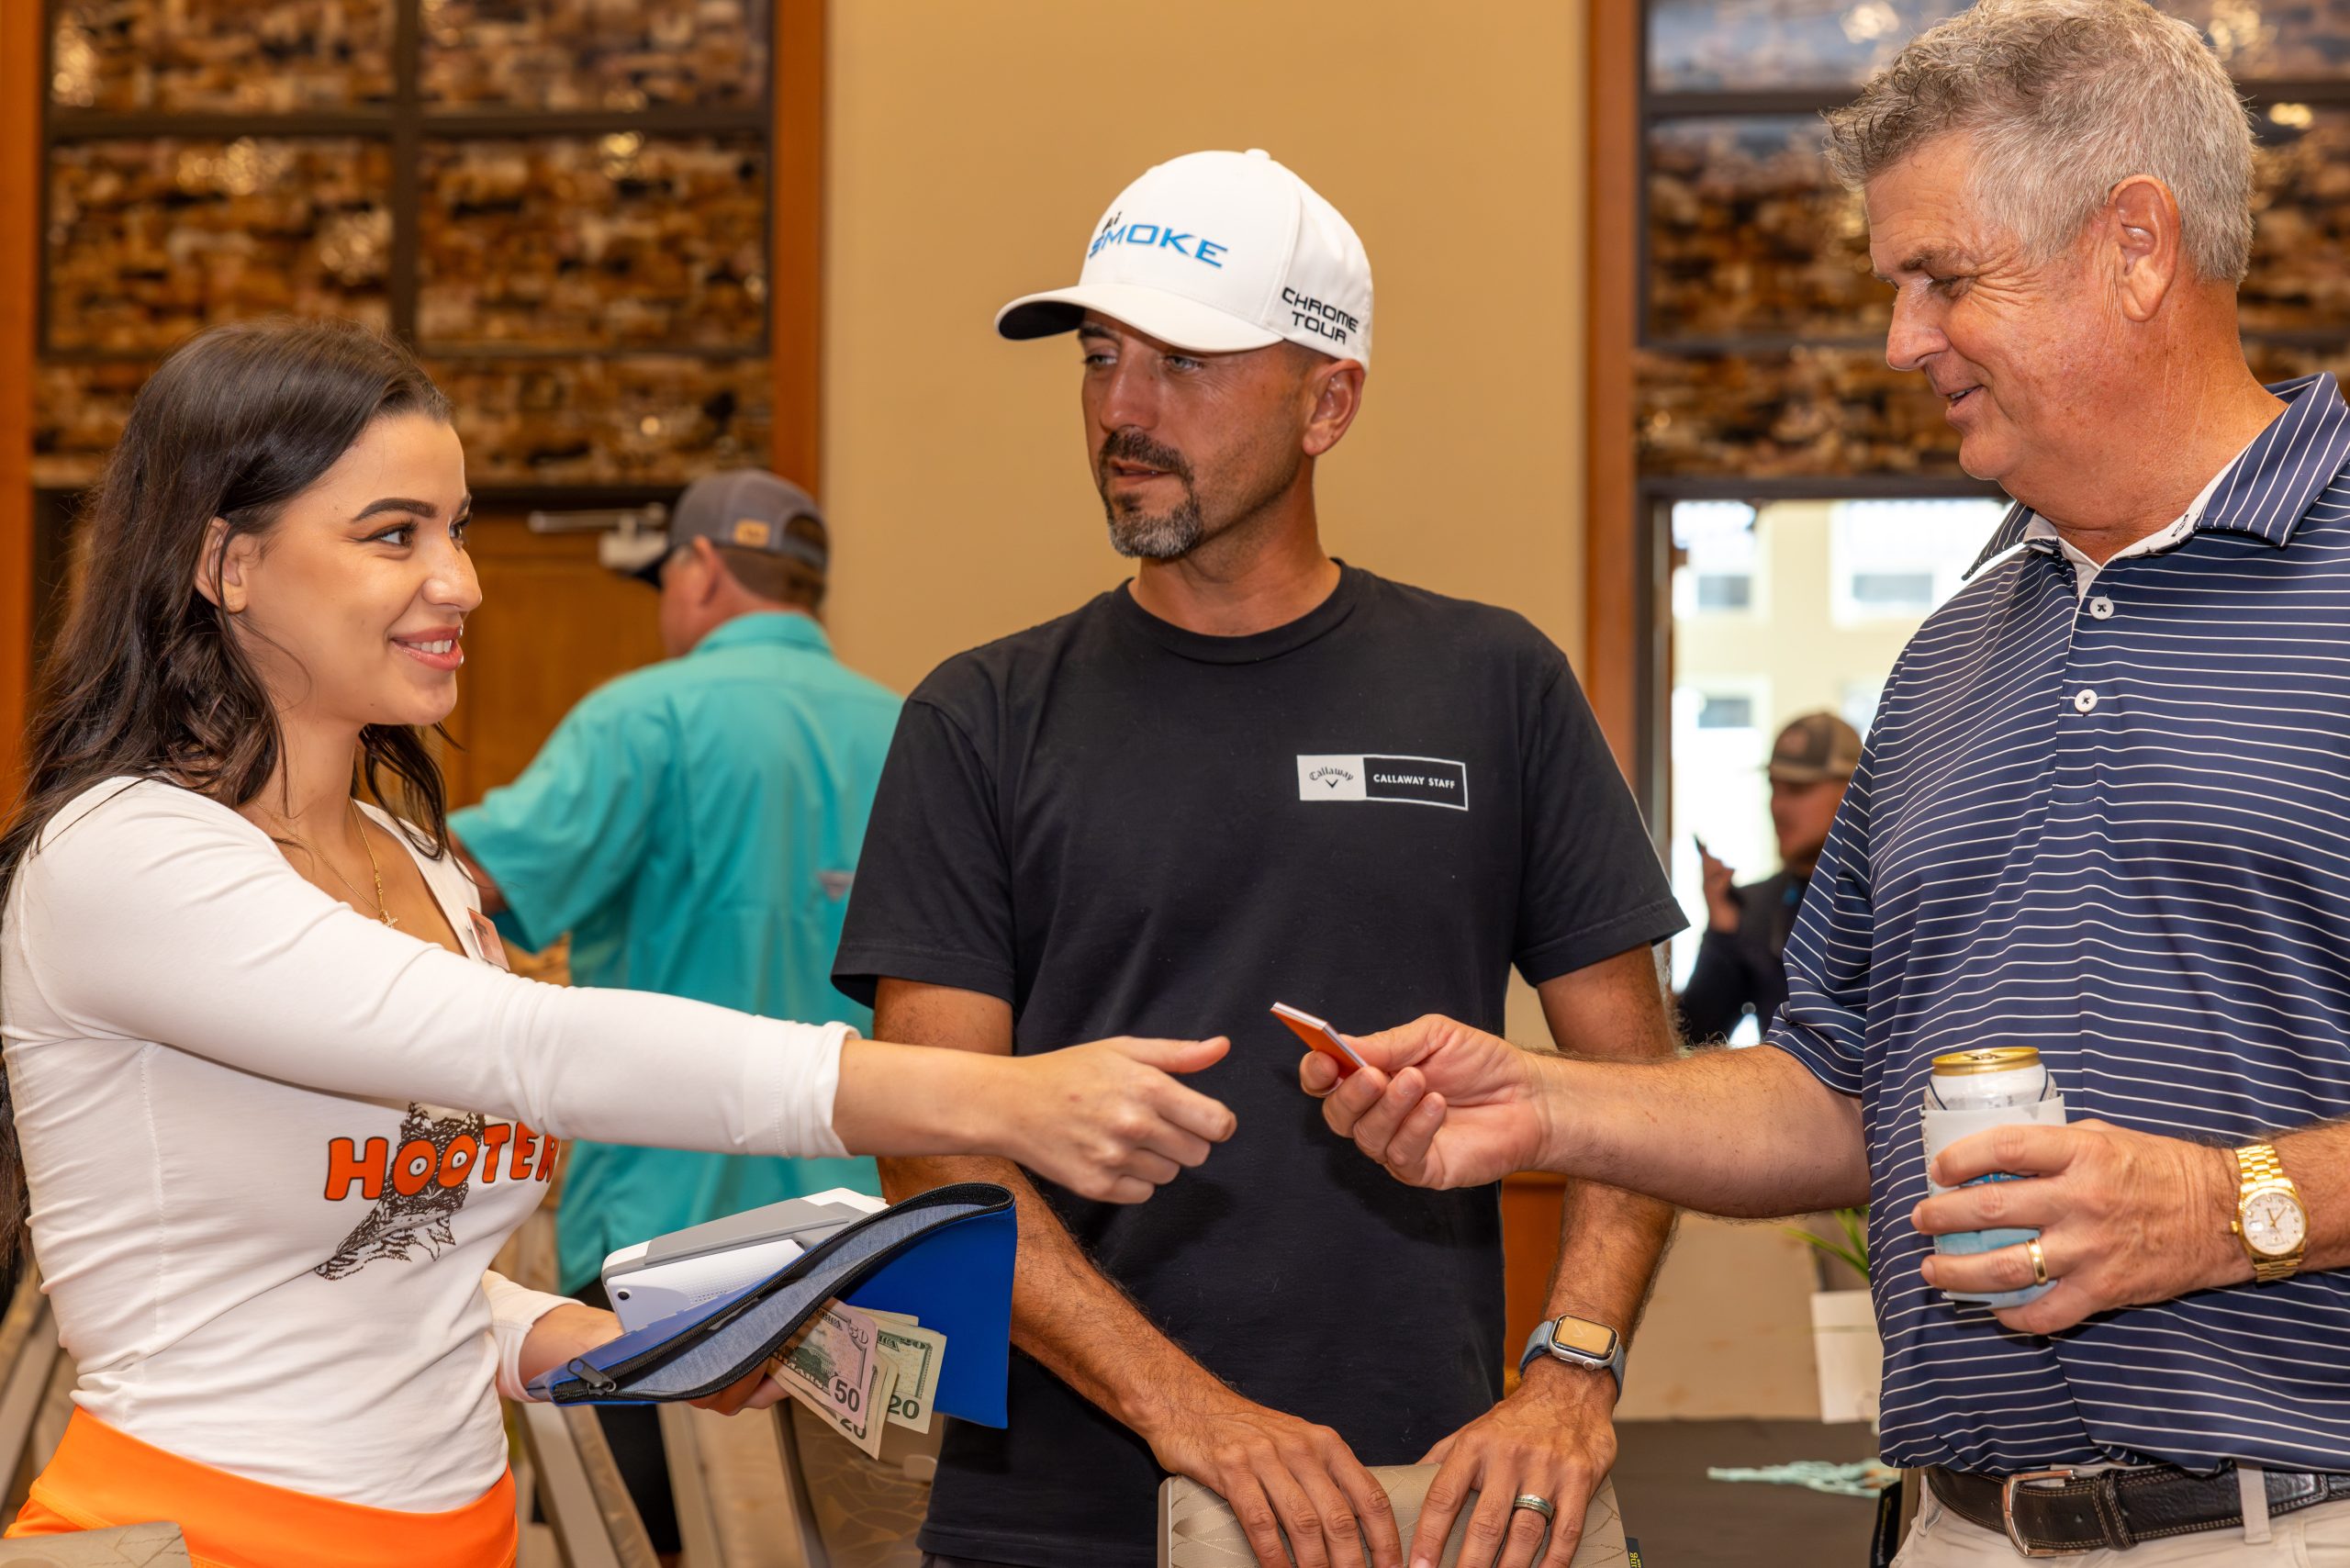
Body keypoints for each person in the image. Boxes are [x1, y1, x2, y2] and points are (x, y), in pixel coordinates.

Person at [1307, 2, 2350, 1561]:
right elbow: (1833, 1091)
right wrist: (1543, 1103)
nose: (1901, 343)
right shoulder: (1947, 661)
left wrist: (2226, 1205)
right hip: (1957, 1528)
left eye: (1947, 279)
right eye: (1894, 289)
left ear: (2137, 246)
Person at [0, 318, 1238, 1566]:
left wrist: (590, 1339)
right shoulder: (124, 857)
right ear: (227, 562)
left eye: (456, 528)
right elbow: (535, 1047)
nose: (460, 581)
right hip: (208, 1532)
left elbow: (375, 1273)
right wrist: (994, 1100)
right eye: (393, 534)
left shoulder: (417, 862)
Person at [834, 150, 1686, 1568]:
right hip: (1051, 1523)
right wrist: (1197, 1417)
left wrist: (1570, 1374)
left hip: (1419, 1503)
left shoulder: (1493, 686)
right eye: (1101, 357)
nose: (1122, 408)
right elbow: (932, 1147)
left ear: (1328, 402)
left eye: (1184, 362)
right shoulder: (978, 717)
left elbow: (1635, 1089)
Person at [450, 469, 899, 1556]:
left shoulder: (643, 717)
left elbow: (466, 877)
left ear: (698, 569)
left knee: (638, 1536)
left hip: (664, 1225)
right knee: (858, 1534)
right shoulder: (910, 729)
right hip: (864, 1239)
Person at [1679, 711, 1859, 1041]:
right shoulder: (1753, 908)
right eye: (1774, 787)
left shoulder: (1885, 901)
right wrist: (1722, 933)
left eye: (1798, 789)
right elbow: (1695, 1040)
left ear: (1853, 792)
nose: (1778, 806)